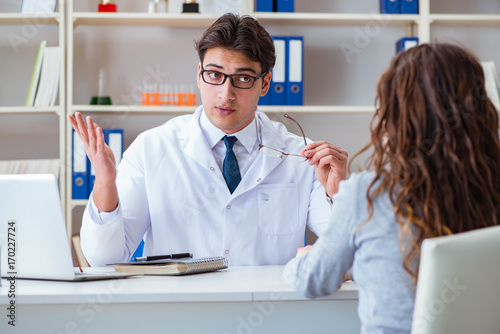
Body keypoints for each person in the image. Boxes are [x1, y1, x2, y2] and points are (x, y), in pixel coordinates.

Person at [68, 13, 348, 267]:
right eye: (215, 75)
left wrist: (337, 193)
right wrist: (105, 184)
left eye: (243, 78)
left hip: (269, 317)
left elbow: (347, 250)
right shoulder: (152, 148)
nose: (226, 94)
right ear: (199, 76)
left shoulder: (302, 156)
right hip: (181, 316)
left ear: (265, 83)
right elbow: (104, 259)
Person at [283, 43, 500, 334]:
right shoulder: (490, 190)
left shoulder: (369, 193)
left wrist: (302, 260)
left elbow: (314, 280)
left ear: (397, 120)